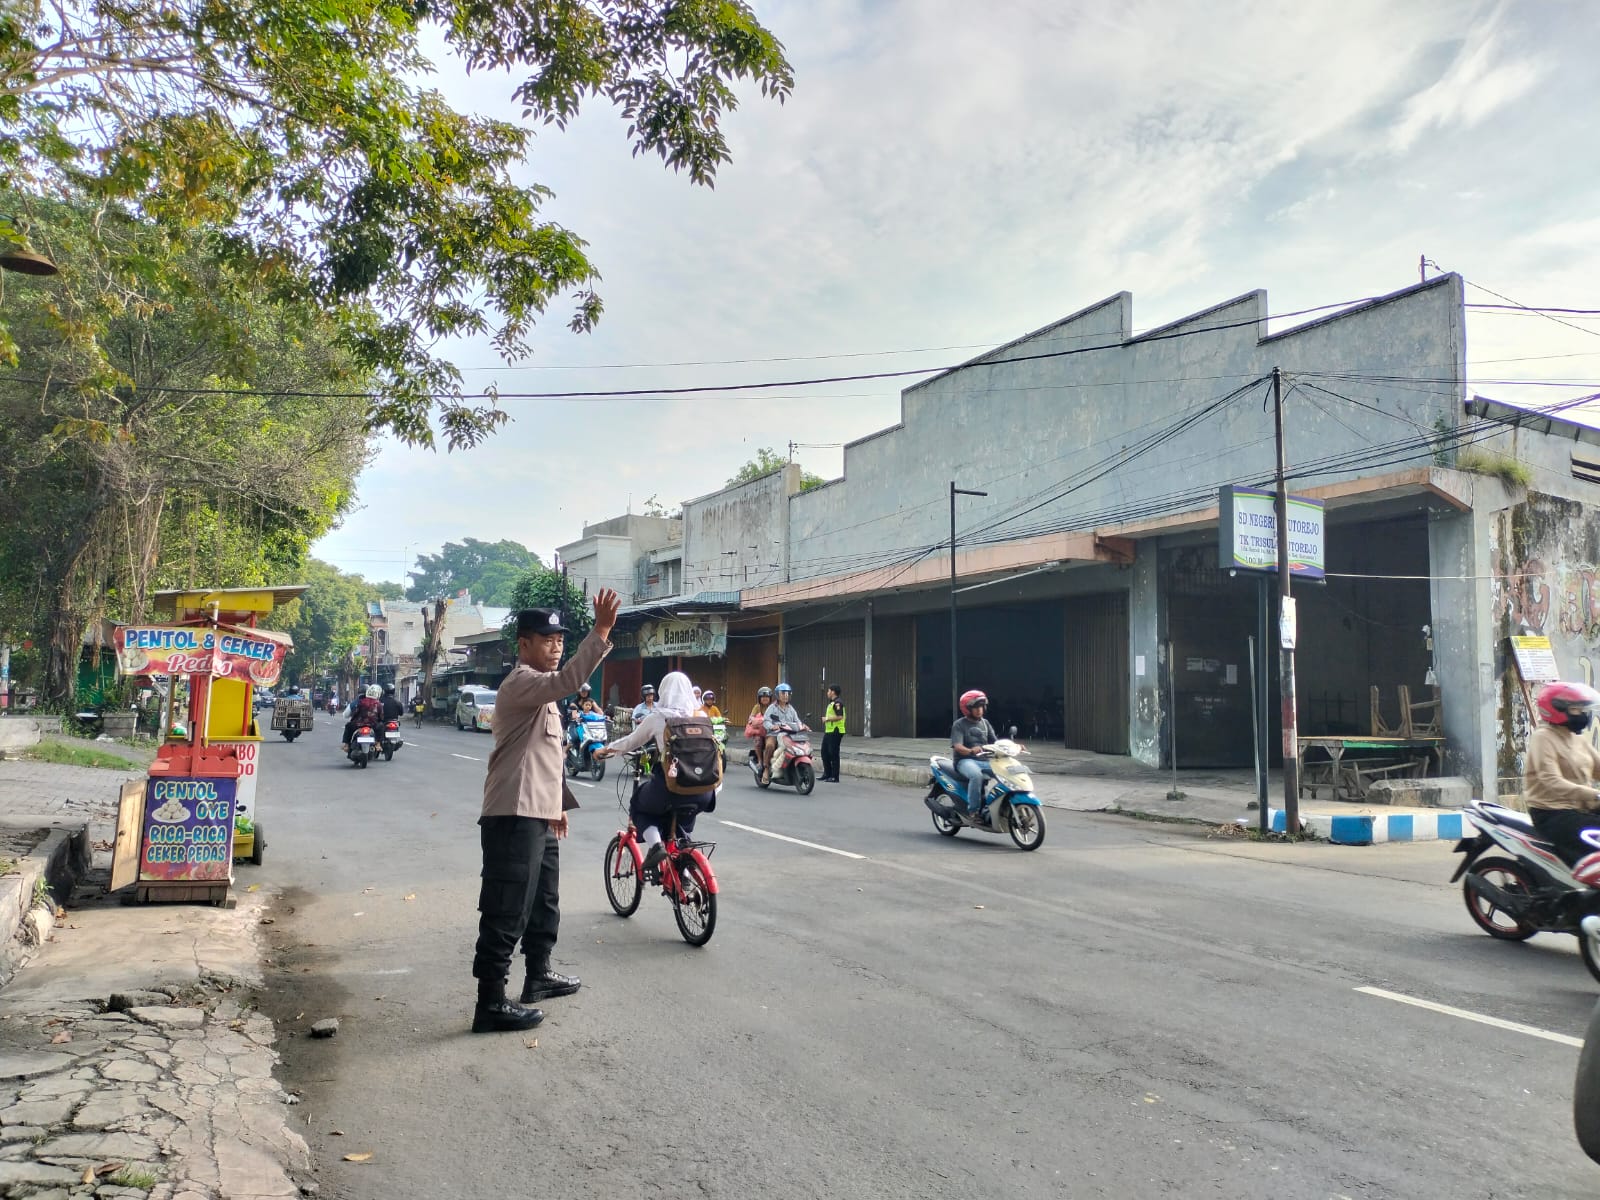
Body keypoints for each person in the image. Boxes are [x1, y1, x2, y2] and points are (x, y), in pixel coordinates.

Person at [469, 592, 618, 1034]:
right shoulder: (522, 683)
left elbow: (545, 756)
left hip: (538, 812)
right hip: (512, 814)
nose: (556, 645)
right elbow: (570, 678)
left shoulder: (543, 694)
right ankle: (490, 1001)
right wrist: (602, 631)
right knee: (506, 906)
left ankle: (539, 974)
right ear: (524, 645)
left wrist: (558, 806)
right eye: (547, 638)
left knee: (543, 901)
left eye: (559, 638)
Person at [596, 672, 717, 872]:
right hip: (704, 790)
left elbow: (631, 742)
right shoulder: (701, 716)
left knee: (639, 805)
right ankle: (685, 874)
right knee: (684, 823)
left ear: (663, 691)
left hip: (671, 787)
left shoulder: (658, 717)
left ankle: (655, 847)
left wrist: (605, 750)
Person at [1524, 681, 1600, 866]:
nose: (1583, 714)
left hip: (1581, 809)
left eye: (1583, 709)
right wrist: (1594, 794)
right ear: (1557, 710)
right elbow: (1551, 781)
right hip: (1553, 814)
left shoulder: (1577, 738)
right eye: (1576, 709)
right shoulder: (1543, 738)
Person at [951, 689, 997, 814]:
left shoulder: (985, 723)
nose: (979, 710)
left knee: (1006, 772)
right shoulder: (959, 725)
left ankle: (996, 805)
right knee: (976, 775)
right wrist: (971, 751)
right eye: (976, 707)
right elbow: (957, 746)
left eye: (982, 706)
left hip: (984, 760)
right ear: (967, 709)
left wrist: (1013, 746)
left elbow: (996, 742)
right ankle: (973, 811)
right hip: (964, 761)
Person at [761, 683, 803, 784]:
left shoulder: (791, 709)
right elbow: (765, 721)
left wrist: (802, 726)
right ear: (777, 695)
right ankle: (766, 769)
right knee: (770, 746)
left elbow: (797, 721)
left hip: (788, 735)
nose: (786, 696)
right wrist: (772, 726)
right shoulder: (772, 708)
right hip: (774, 735)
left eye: (788, 693)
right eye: (783, 693)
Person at [342, 685, 383, 752]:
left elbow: (356, 713)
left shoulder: (360, 702)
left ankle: (346, 745)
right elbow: (381, 716)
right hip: (372, 725)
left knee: (348, 726)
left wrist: (353, 720)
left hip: (358, 724)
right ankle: (378, 744)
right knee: (381, 726)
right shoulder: (378, 704)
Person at [821, 684, 846, 783]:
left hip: (836, 731)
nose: (827, 693)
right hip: (829, 731)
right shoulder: (832, 703)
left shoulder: (838, 703)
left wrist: (826, 719)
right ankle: (827, 774)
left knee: (833, 753)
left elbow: (840, 716)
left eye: (828, 691)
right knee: (824, 752)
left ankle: (835, 777)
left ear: (833, 692)